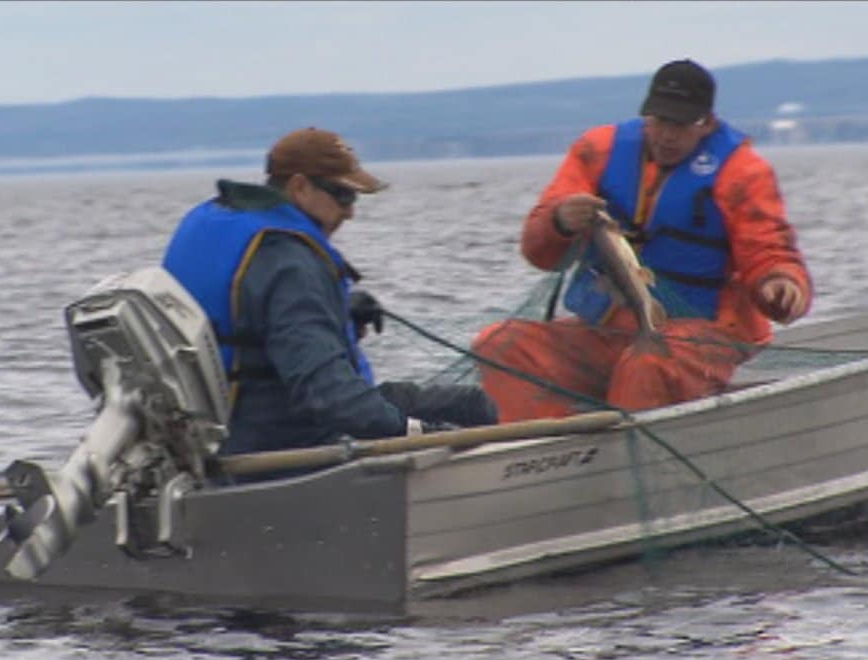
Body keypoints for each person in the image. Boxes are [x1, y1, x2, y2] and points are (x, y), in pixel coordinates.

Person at [471, 59, 813, 422]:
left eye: (681, 124)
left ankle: (622, 462)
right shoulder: (598, 151)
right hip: (606, 330)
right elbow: (539, 253)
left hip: (709, 336)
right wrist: (559, 220)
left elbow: (769, 249)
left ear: (707, 123)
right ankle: (535, 454)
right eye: (661, 120)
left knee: (646, 364)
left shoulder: (741, 172)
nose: (667, 134)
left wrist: (781, 283)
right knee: (500, 344)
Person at [162, 127, 497, 457]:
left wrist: (340, 309)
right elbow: (328, 396)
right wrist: (412, 432)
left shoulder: (217, 221)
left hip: (215, 434)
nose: (350, 211)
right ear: (300, 186)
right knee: (472, 408)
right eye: (343, 195)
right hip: (284, 446)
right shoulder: (290, 262)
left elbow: (246, 318)